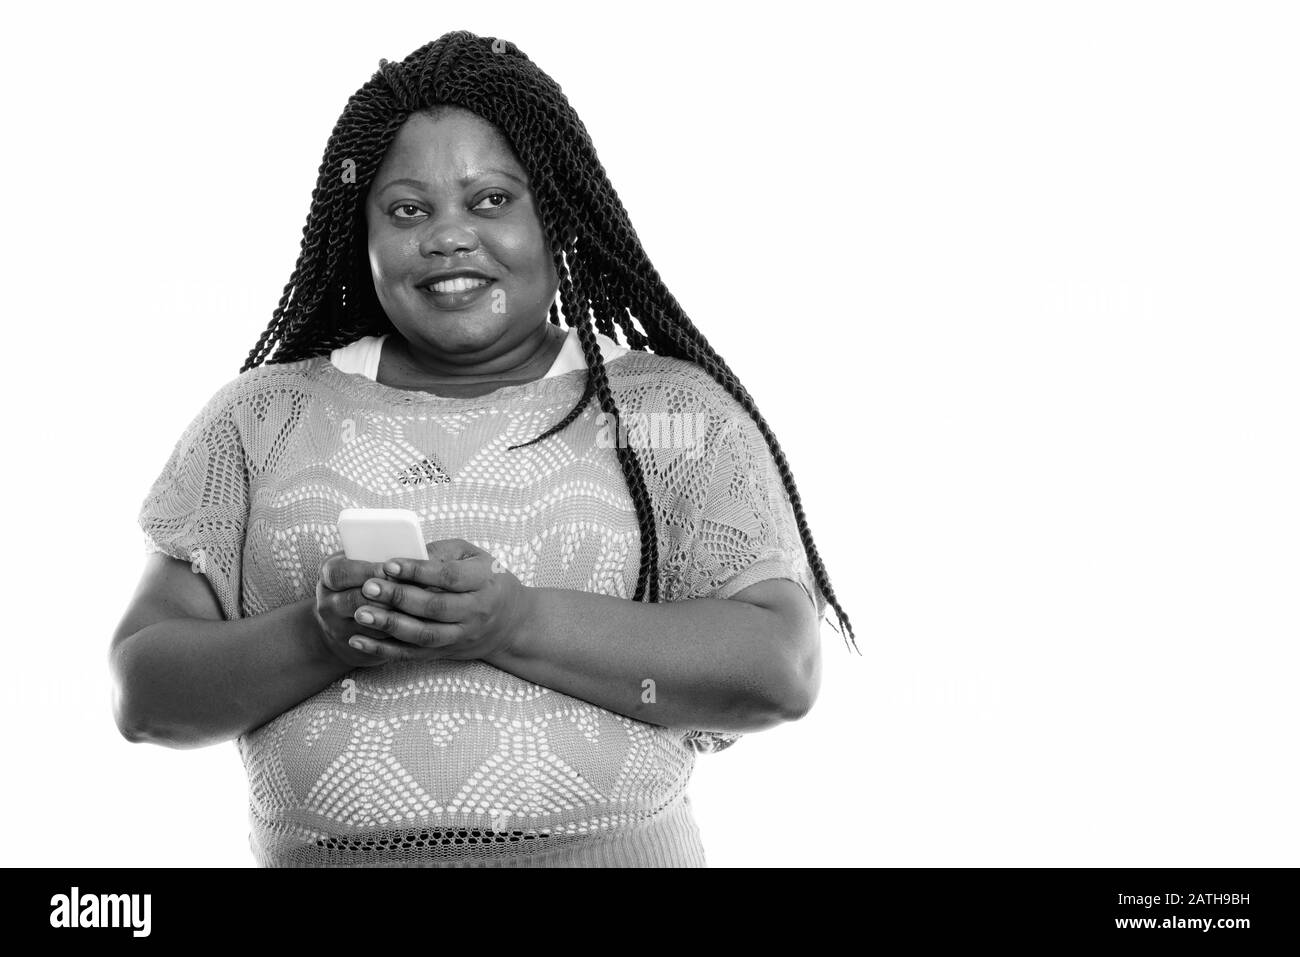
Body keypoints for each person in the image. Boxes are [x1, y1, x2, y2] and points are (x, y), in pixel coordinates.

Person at [110, 31, 856, 868]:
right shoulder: (260, 419)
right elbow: (146, 692)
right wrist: (327, 636)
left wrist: (514, 622)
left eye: (491, 199)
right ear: (358, 233)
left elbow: (779, 667)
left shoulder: (667, 412)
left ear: (557, 213)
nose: (448, 237)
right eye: (407, 209)